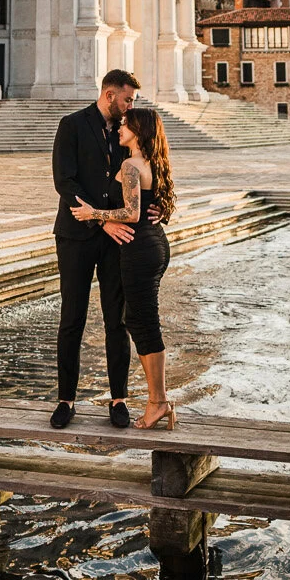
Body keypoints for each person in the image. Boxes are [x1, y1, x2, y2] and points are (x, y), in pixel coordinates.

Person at [72, 106, 176, 429]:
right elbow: (155, 206)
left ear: (138, 131)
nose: (120, 128)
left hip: (139, 248)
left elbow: (131, 213)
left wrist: (94, 214)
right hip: (155, 244)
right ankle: (159, 400)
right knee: (140, 320)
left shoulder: (131, 165)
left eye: (126, 125)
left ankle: (157, 402)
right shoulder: (153, 162)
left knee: (144, 324)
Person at [50, 68, 141, 430]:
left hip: (113, 239)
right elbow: (64, 182)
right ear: (109, 95)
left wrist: (152, 206)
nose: (131, 105)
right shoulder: (71, 125)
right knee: (72, 318)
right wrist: (102, 220)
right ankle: (66, 400)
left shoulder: (126, 131)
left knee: (116, 320)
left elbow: (140, 173)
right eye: (127, 99)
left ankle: (118, 399)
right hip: (75, 235)